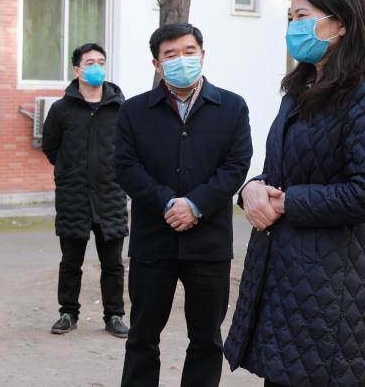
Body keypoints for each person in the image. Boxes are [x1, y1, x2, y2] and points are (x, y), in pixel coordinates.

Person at [224, 0, 365, 387]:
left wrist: (287, 202)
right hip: (286, 271)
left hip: (332, 282)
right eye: (290, 17)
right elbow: (284, 170)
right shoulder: (303, 86)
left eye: (303, 17)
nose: (293, 27)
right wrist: (252, 188)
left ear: (340, 22)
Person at [115, 23, 252, 387]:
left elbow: (236, 165)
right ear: (157, 64)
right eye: (170, 54)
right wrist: (166, 203)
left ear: (202, 55)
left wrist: (195, 205)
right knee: (142, 336)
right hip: (152, 242)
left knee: (206, 339)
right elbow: (126, 167)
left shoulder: (232, 107)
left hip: (209, 243)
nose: (181, 60)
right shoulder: (134, 111)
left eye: (189, 52)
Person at [41, 43, 129, 338]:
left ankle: (114, 315)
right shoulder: (61, 109)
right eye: (90, 62)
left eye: (101, 62)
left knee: (113, 264)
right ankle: (68, 313)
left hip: (111, 196)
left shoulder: (120, 107)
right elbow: (50, 147)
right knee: (71, 262)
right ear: (77, 70)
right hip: (73, 197)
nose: (97, 67)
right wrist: (70, 171)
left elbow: (129, 148)